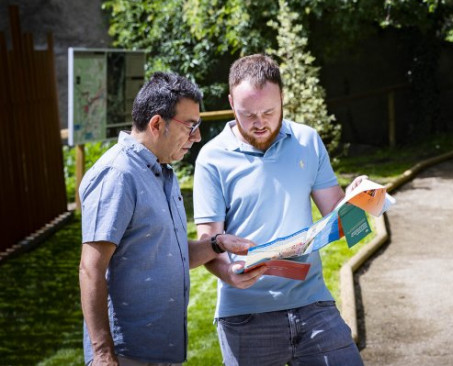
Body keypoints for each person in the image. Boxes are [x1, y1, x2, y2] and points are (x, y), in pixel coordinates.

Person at [79, 71, 266, 366]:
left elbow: (170, 254)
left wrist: (218, 244)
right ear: (156, 123)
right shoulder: (117, 174)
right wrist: (103, 353)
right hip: (125, 355)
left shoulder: (163, 172)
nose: (198, 136)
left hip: (161, 351)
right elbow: (91, 268)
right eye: (191, 126)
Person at [194, 54, 364, 365]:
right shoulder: (211, 158)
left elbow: (337, 217)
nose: (259, 122)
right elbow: (209, 242)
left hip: (313, 303)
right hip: (246, 314)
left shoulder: (307, 141)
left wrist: (357, 201)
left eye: (269, 112)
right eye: (248, 114)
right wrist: (227, 274)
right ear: (231, 102)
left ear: (282, 98)